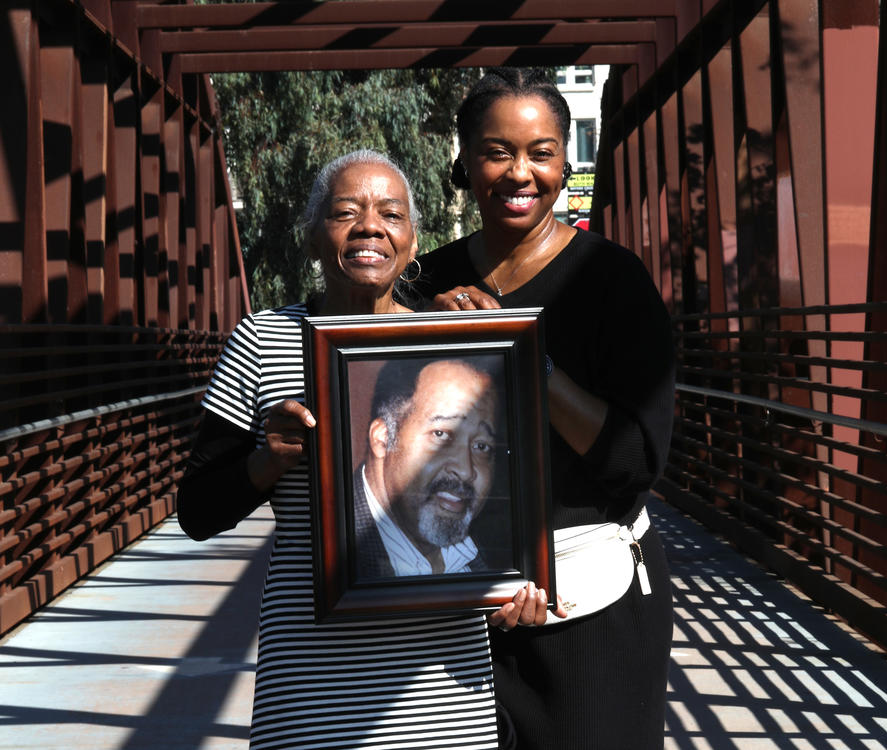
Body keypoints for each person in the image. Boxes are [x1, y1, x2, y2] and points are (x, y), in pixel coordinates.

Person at [176, 150, 506, 750]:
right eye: (346, 212)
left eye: (392, 214)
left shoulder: (449, 345)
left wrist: (519, 580)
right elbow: (197, 512)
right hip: (311, 687)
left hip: (442, 694)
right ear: (311, 238)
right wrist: (263, 462)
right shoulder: (262, 340)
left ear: (411, 240)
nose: (370, 227)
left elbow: (511, 507)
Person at [414, 68, 676, 750]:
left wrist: (522, 356)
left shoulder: (614, 280)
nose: (520, 172)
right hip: (456, 609)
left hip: (589, 607)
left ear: (565, 161)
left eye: (541, 152)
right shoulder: (426, 286)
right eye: (497, 151)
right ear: (465, 161)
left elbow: (634, 463)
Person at [355, 356, 501, 578]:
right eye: (440, 434)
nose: (466, 470)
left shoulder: (494, 560)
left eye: (481, 446)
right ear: (383, 439)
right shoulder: (329, 549)